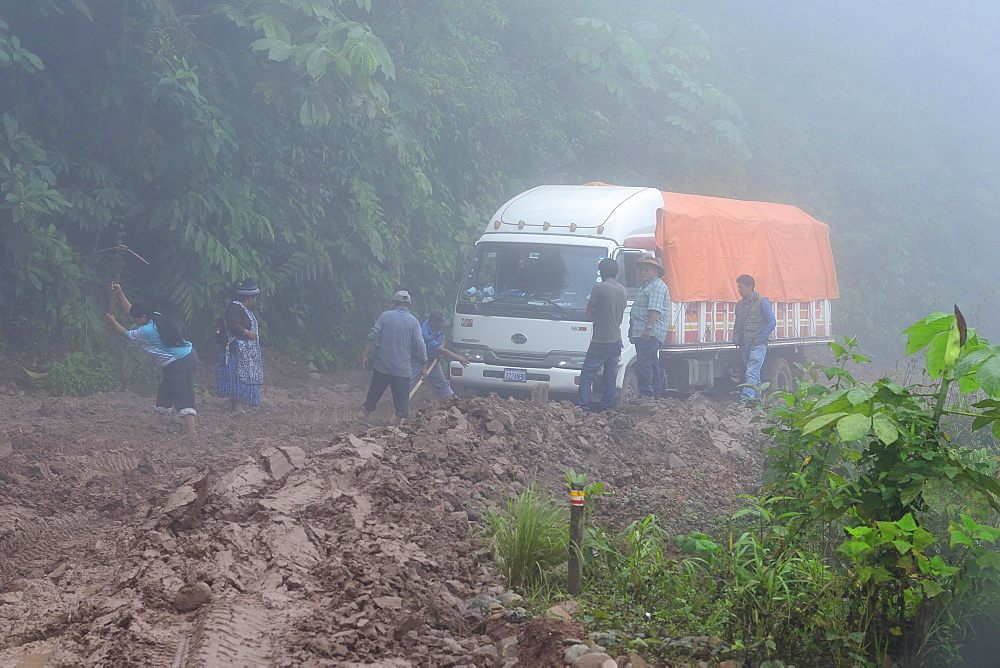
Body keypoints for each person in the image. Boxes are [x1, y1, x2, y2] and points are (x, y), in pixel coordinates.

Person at [104, 283, 199, 436]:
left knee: (183, 393)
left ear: (143, 318)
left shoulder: (147, 330)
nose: (135, 322)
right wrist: (120, 293)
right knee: (166, 390)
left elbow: (127, 334)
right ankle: (154, 424)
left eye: (136, 320)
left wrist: (113, 321)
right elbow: (131, 310)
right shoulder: (155, 316)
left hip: (180, 362)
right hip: (181, 359)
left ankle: (192, 431)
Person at [361, 290, 427, 420]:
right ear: (409, 304)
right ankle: (400, 426)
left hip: (382, 366)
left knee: (373, 394)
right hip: (402, 370)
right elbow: (420, 344)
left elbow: (372, 336)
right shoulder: (413, 322)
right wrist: (423, 364)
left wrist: (365, 355)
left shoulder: (385, 316)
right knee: (402, 402)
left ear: (394, 303)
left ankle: (365, 418)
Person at [578, 258, 628, 412]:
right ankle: (607, 407)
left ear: (601, 272)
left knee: (587, 375)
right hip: (616, 340)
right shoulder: (622, 290)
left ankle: (583, 407)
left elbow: (589, 312)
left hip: (600, 340)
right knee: (610, 375)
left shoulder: (598, 288)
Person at [214, 278, 263, 413]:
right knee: (237, 377)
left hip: (245, 352)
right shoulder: (234, 308)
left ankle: (241, 404)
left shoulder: (244, 309)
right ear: (250, 297)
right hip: (236, 350)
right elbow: (232, 324)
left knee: (244, 377)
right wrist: (247, 333)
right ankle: (237, 406)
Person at [627, 256, 670, 402]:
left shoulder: (657, 286)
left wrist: (648, 328)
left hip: (649, 332)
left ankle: (647, 393)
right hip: (643, 331)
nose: (642, 272)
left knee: (644, 362)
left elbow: (655, 310)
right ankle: (654, 392)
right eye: (641, 270)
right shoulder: (646, 286)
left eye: (646, 270)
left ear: (656, 272)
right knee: (650, 362)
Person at [733, 274, 777, 404]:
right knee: (754, 373)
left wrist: (760, 338)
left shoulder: (762, 301)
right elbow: (737, 324)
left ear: (750, 287)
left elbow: (772, 322)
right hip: (744, 345)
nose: (739, 290)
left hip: (757, 345)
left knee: (751, 373)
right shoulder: (739, 305)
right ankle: (758, 401)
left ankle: (746, 401)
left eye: (741, 287)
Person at [410, 310, 470, 400]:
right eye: (440, 324)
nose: (441, 327)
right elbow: (442, 350)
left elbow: (442, 339)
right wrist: (459, 357)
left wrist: (439, 350)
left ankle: (449, 401)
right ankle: (401, 402)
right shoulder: (424, 332)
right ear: (433, 321)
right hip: (417, 358)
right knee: (408, 382)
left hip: (431, 358)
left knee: (442, 382)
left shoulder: (437, 327)